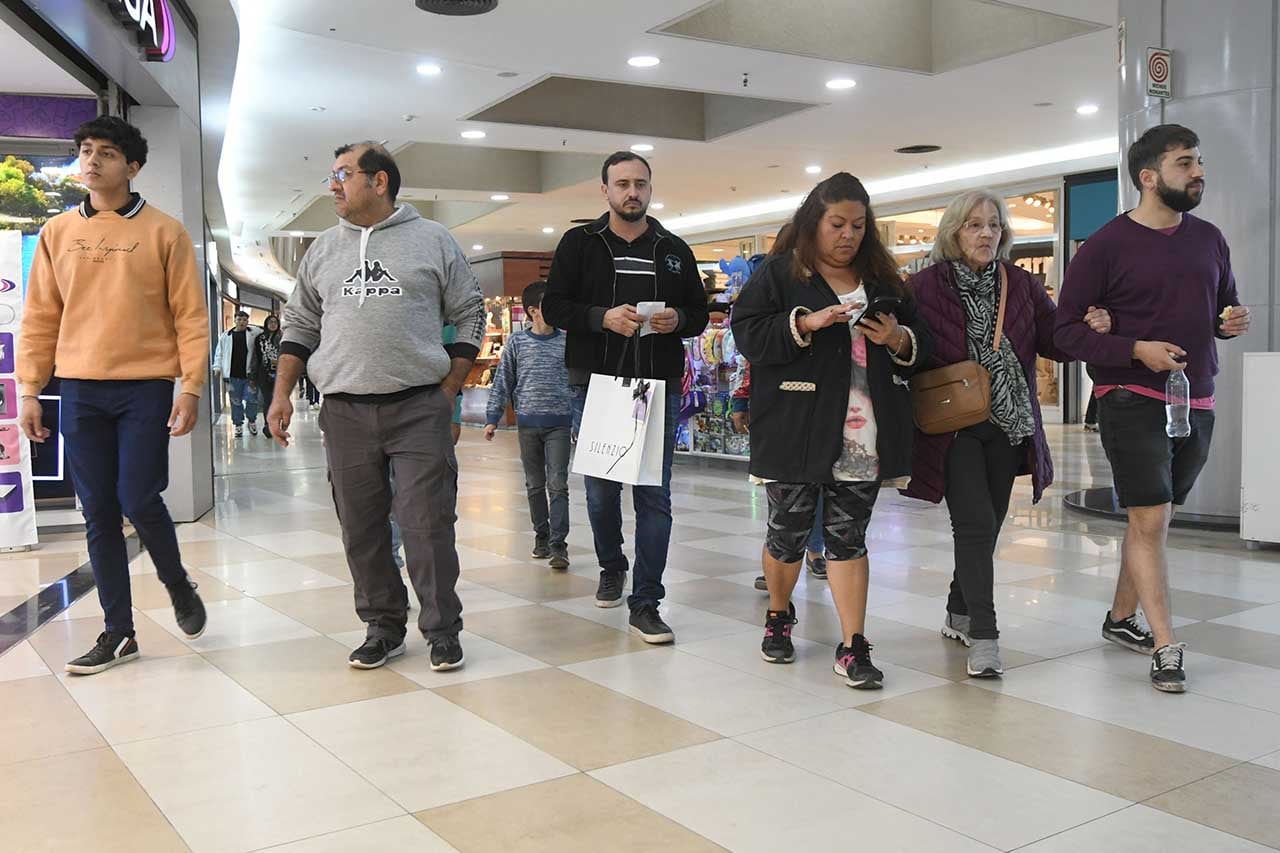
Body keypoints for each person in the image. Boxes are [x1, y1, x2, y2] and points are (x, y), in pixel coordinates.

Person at [268, 141, 485, 672]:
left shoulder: (434, 240)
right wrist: (279, 394)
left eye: (343, 173)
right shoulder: (323, 249)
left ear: (379, 180)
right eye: (332, 174)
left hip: (417, 406)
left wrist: (449, 389)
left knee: (426, 522)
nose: (333, 185)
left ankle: (441, 629)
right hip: (343, 410)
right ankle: (382, 626)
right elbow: (299, 325)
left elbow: (471, 311)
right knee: (360, 526)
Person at [1055, 124, 1250, 693]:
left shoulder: (1210, 238)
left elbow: (1223, 307)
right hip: (1130, 396)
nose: (1198, 173)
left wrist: (1229, 324)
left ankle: (1120, 619)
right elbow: (1066, 331)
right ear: (1148, 177)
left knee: (1154, 519)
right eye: (1185, 163)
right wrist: (1132, 351)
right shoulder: (1106, 246)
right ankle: (1166, 643)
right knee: (1149, 516)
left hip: (1198, 397)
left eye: (1198, 162)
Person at [17, 116, 208, 674]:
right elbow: (40, 317)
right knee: (97, 510)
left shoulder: (164, 231)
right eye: (85, 152)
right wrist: (30, 389)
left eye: (106, 152)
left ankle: (176, 582)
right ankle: (117, 632)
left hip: (145, 386)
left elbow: (191, 317)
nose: (92, 161)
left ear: (133, 166)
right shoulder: (57, 232)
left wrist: (191, 385)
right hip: (78, 388)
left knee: (138, 496)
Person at [731, 172, 933, 688]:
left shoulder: (884, 281)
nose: (848, 235)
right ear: (813, 223)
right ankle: (779, 615)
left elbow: (920, 346)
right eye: (837, 224)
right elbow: (747, 333)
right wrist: (805, 324)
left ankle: (853, 643)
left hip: (864, 433)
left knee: (849, 538)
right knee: (789, 532)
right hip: (795, 427)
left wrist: (898, 337)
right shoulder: (780, 274)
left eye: (859, 225)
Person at [903, 190, 1112, 678]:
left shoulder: (1019, 284)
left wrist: (1089, 327)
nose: (985, 234)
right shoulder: (924, 287)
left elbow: (1053, 340)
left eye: (994, 226)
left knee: (990, 524)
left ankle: (959, 609)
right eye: (974, 225)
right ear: (954, 232)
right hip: (951, 426)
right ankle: (985, 635)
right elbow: (909, 352)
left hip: (1008, 422)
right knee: (974, 524)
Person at [542, 151, 709, 643]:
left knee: (654, 495)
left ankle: (647, 601)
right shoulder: (580, 243)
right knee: (600, 492)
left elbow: (699, 311)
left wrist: (678, 320)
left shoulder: (673, 248)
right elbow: (554, 305)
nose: (631, 192)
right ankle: (612, 564)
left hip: (655, 386)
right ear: (605, 191)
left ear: (651, 188)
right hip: (596, 385)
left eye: (640, 183)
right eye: (622, 184)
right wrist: (601, 317)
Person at [484, 281, 573, 568]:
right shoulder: (516, 343)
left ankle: (559, 545)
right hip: (528, 424)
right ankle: (542, 536)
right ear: (533, 311)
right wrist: (492, 418)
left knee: (558, 483)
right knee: (534, 484)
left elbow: (579, 383)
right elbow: (503, 380)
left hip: (560, 423)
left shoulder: (567, 341)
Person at [214, 310, 260, 437]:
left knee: (252, 399)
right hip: (232, 376)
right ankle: (238, 424)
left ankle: (252, 421)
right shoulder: (226, 336)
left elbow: (265, 331)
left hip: (249, 375)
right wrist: (217, 367)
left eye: (245, 320)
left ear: (248, 321)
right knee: (235, 401)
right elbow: (219, 353)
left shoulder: (253, 333)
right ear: (235, 321)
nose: (242, 322)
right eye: (239, 319)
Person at [254, 314, 282, 438]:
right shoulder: (260, 338)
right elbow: (256, 357)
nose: (272, 324)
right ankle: (268, 425)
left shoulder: (282, 338)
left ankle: (276, 424)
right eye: (270, 322)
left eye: (275, 322)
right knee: (267, 399)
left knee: (278, 400)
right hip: (264, 372)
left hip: (280, 373)